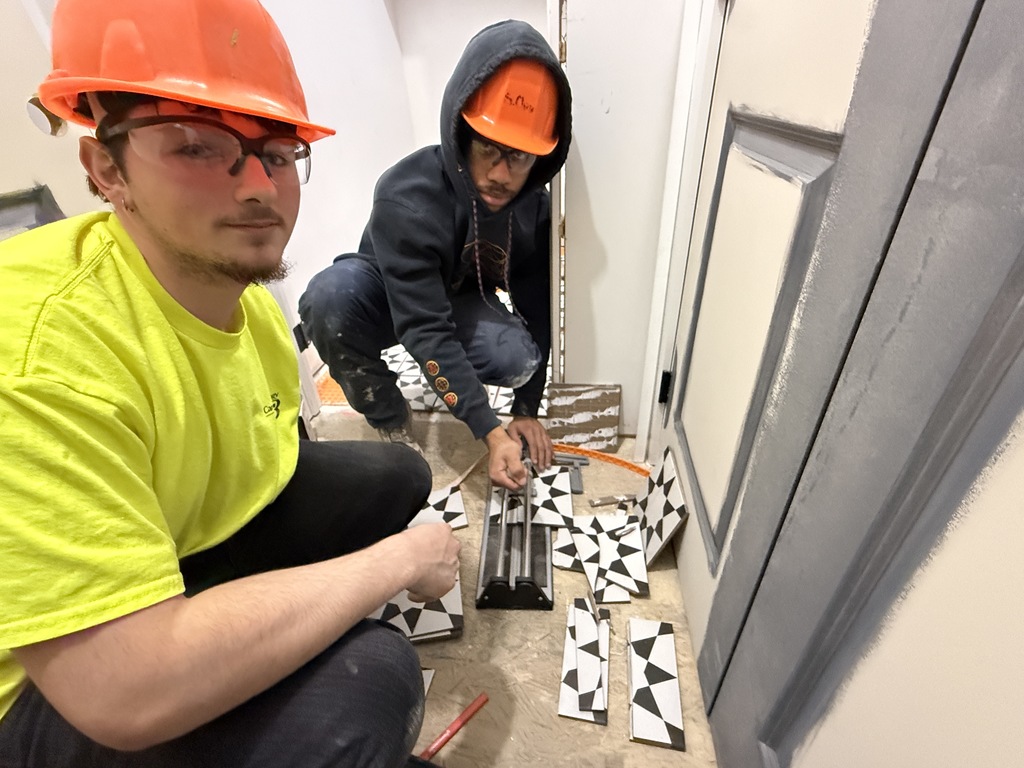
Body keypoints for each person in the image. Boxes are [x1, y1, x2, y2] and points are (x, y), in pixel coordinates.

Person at [0, 1, 460, 766]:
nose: (257, 188)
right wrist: (394, 564)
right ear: (106, 169)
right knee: (370, 677)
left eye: (277, 154)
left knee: (399, 475)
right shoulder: (41, 356)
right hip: (46, 684)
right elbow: (122, 691)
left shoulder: (244, 298)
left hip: (177, 543)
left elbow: (274, 459)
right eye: (198, 148)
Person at [298, 20, 573, 492]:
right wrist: (489, 431)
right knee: (328, 301)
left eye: (522, 157)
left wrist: (525, 409)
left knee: (517, 356)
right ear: (460, 129)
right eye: (489, 148)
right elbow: (424, 326)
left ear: (542, 156)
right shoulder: (406, 195)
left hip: (461, 294)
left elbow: (538, 310)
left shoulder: (534, 211)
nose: (502, 175)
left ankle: (444, 364)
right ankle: (388, 411)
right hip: (383, 290)